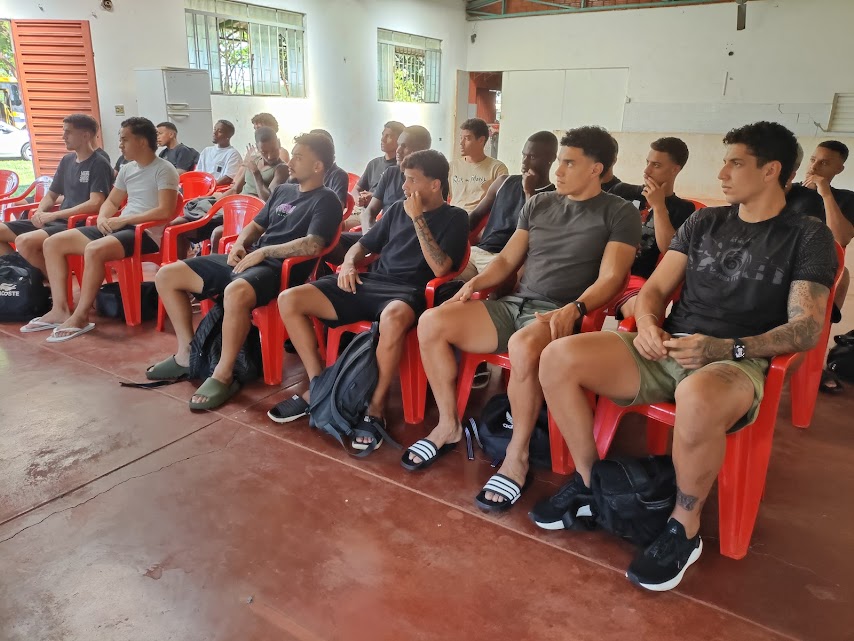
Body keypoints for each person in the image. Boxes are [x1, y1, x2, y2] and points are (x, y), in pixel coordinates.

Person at [533, 121, 837, 592]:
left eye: (735, 162)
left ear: (771, 169)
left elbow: (807, 327)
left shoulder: (806, 235)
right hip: (668, 345)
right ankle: (596, 484)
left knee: (696, 396)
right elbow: (654, 288)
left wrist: (726, 348)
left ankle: (684, 527)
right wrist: (650, 324)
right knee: (557, 358)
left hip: (736, 360)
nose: (722, 172)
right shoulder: (705, 221)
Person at [408, 126, 640, 511]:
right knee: (432, 321)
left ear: (596, 169)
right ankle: (448, 425)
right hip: (515, 305)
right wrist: (475, 284)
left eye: (569, 163)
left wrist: (576, 309)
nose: (558, 170)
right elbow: (507, 260)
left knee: (522, 345)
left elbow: (613, 277)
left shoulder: (618, 213)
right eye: (560, 161)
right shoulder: (539, 204)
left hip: (561, 316)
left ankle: (517, 457)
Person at [271, 149, 468, 454]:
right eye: (405, 179)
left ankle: (375, 408)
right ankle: (318, 386)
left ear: (435, 185)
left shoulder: (456, 218)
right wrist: (349, 263)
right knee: (290, 299)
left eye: (412, 180)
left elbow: (441, 268)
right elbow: (361, 246)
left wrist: (418, 219)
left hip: (409, 293)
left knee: (392, 318)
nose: (404, 187)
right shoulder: (395, 211)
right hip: (370, 282)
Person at [145, 132, 343, 410]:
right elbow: (257, 226)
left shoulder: (327, 200)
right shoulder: (283, 190)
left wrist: (264, 252)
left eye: (299, 157)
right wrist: (240, 243)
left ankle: (223, 374)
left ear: (317, 166)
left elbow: (313, 245)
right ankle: (186, 354)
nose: (292, 161)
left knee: (236, 291)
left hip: (278, 271)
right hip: (249, 259)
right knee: (168, 275)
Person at [22, 117, 179, 341]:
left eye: (125, 139)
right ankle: (60, 309)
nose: (120, 144)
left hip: (144, 233)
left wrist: (125, 220)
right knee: (52, 243)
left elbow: (165, 211)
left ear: (142, 142)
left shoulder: (164, 170)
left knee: (94, 250)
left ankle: (82, 315)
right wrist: (104, 216)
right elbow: (112, 202)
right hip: (120, 226)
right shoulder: (127, 169)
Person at [0, 114, 113, 276]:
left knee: (24, 241)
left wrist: (52, 216)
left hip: (77, 224)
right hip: (56, 221)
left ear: (85, 135)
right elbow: (51, 195)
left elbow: (95, 203)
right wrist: (40, 212)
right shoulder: (67, 161)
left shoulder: (99, 163)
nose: (63, 137)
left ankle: (47, 283)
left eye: (68, 132)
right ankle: (24, 277)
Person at [610, 137, 698, 318]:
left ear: (675, 169)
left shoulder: (683, 209)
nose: (646, 171)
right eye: (647, 163)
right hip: (602, 269)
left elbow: (670, 250)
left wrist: (659, 207)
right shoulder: (622, 191)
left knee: (641, 312)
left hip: (635, 281)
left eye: (656, 165)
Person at [325, 125, 432, 265]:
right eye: (399, 145)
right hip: (379, 234)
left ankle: (367, 269)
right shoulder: (390, 173)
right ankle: (346, 272)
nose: (398, 150)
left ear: (421, 150)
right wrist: (369, 235)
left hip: (406, 239)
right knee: (328, 241)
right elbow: (369, 212)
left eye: (404, 146)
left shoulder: (430, 180)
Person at [461, 131, 559, 282]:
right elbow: (475, 216)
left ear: (551, 159)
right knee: (438, 279)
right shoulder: (504, 181)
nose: (524, 163)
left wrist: (529, 192)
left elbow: (536, 234)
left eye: (532, 157)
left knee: (475, 291)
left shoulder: (554, 197)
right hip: (477, 252)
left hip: (506, 261)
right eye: (523, 155)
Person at [448, 118, 509, 212]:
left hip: (480, 220)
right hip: (453, 217)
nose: (461, 143)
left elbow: (501, 202)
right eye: (461, 138)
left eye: (467, 138)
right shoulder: (452, 166)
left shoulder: (497, 168)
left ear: (481, 140)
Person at [351, 121, 405, 208]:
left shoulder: (401, 168)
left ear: (399, 141)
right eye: (383, 135)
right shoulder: (373, 164)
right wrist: (358, 198)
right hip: (365, 210)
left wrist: (374, 197)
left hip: (384, 212)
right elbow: (355, 190)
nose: (383, 139)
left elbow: (398, 199)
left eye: (389, 136)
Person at [196, 120, 241, 186]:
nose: (215, 133)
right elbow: (198, 173)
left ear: (227, 137)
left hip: (219, 190)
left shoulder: (233, 154)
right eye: (214, 129)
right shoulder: (206, 151)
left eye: (219, 131)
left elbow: (228, 178)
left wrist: (210, 187)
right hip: (203, 188)